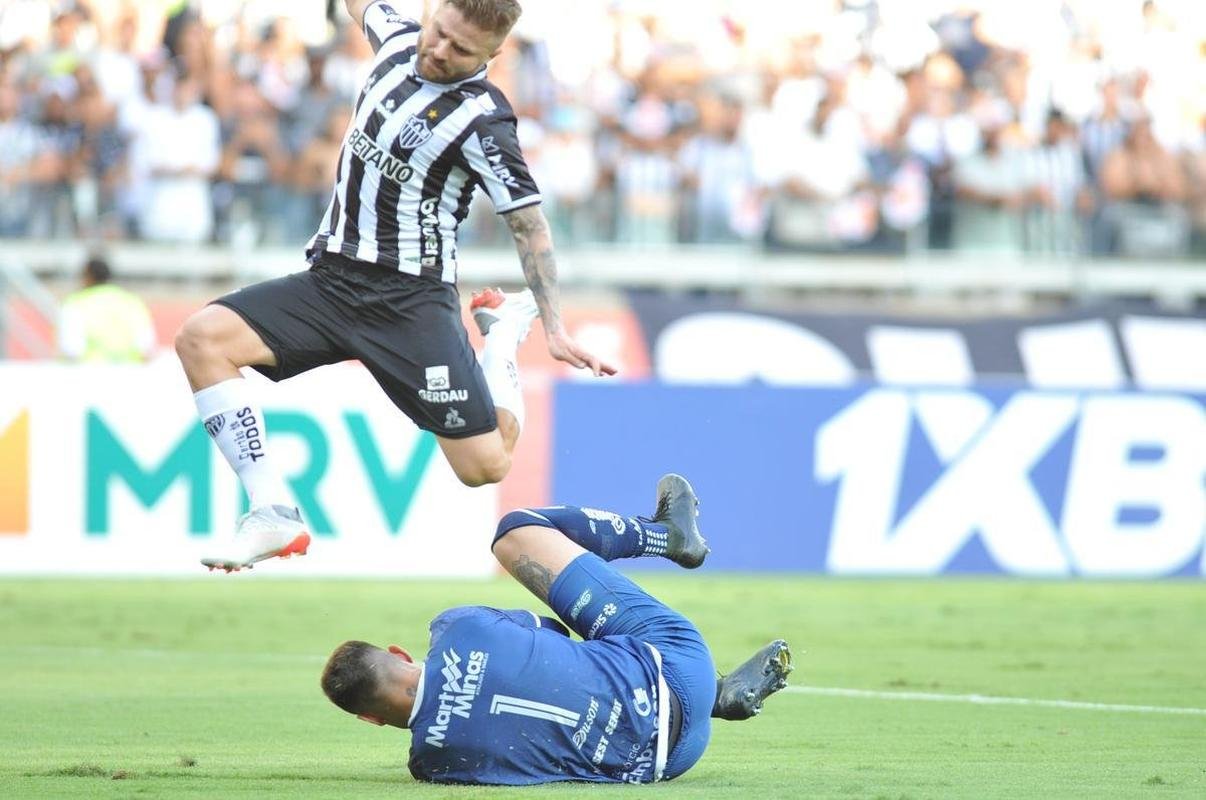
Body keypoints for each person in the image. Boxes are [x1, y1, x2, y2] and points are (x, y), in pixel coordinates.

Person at [175, 0, 614, 571]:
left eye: (462, 50)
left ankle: (502, 336)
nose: (440, 50)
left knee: (484, 467)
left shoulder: (484, 121)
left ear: (492, 55)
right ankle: (273, 511)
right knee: (201, 339)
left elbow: (529, 224)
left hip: (410, 305)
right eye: (440, 33)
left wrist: (553, 327)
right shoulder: (396, 37)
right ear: (429, 12)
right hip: (331, 281)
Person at [320, 474, 793, 785]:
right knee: (516, 531)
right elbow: (554, 634)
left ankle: (720, 696)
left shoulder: (432, 765)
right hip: (677, 667)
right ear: (401, 655)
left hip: (667, 762)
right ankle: (668, 536)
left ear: (371, 719)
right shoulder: (456, 628)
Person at [58, 255, 156, 363]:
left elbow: (71, 350)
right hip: (128, 373)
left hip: (89, 373)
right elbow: (146, 349)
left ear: (88, 276)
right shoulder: (131, 302)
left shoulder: (75, 303)